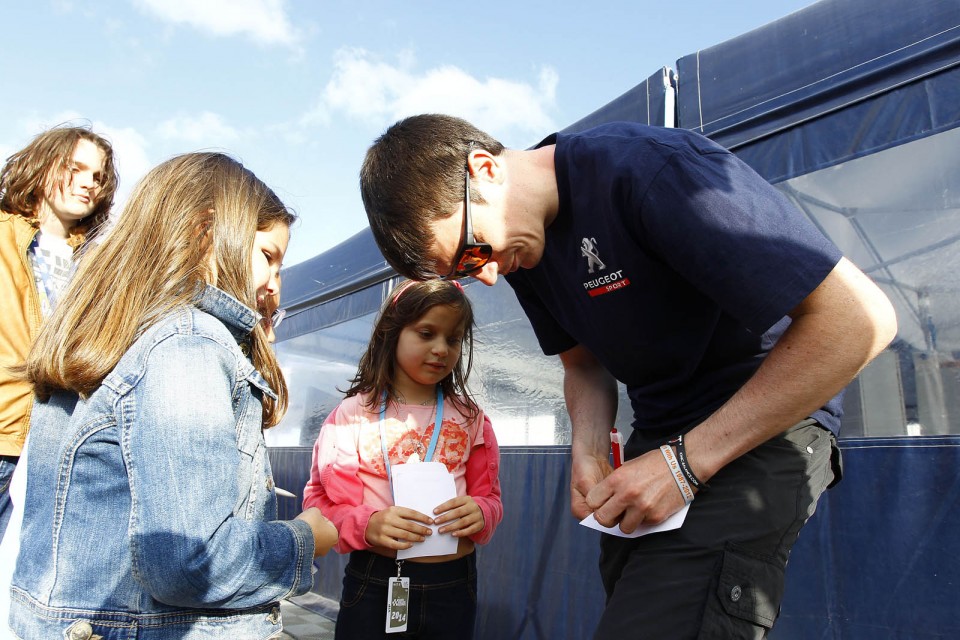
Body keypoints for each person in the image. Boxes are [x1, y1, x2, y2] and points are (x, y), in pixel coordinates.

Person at [358, 114, 898, 638]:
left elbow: (860, 321)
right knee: (630, 587)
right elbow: (583, 363)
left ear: (485, 170)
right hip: (664, 434)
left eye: (473, 252)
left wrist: (685, 463)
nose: (490, 273)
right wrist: (588, 448)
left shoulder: (651, 172)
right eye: (468, 273)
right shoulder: (525, 247)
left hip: (767, 423)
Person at [8, 152, 338, 639]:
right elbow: (190, 562)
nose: (274, 283)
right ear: (207, 231)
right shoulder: (189, 342)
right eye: (267, 255)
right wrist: (307, 537)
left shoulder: (113, 339)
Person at [303, 278, 503, 640]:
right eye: (426, 333)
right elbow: (318, 501)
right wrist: (367, 523)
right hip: (375, 579)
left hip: (455, 583)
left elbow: (490, 498)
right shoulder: (351, 415)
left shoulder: (473, 419)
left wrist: (481, 512)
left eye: (453, 339)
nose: (441, 348)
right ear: (391, 334)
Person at [0, 124, 118, 538]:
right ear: (43, 165)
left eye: (98, 176)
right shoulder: (3, 235)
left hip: (57, 447)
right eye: (76, 168)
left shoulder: (99, 262)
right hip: (4, 435)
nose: (89, 183)